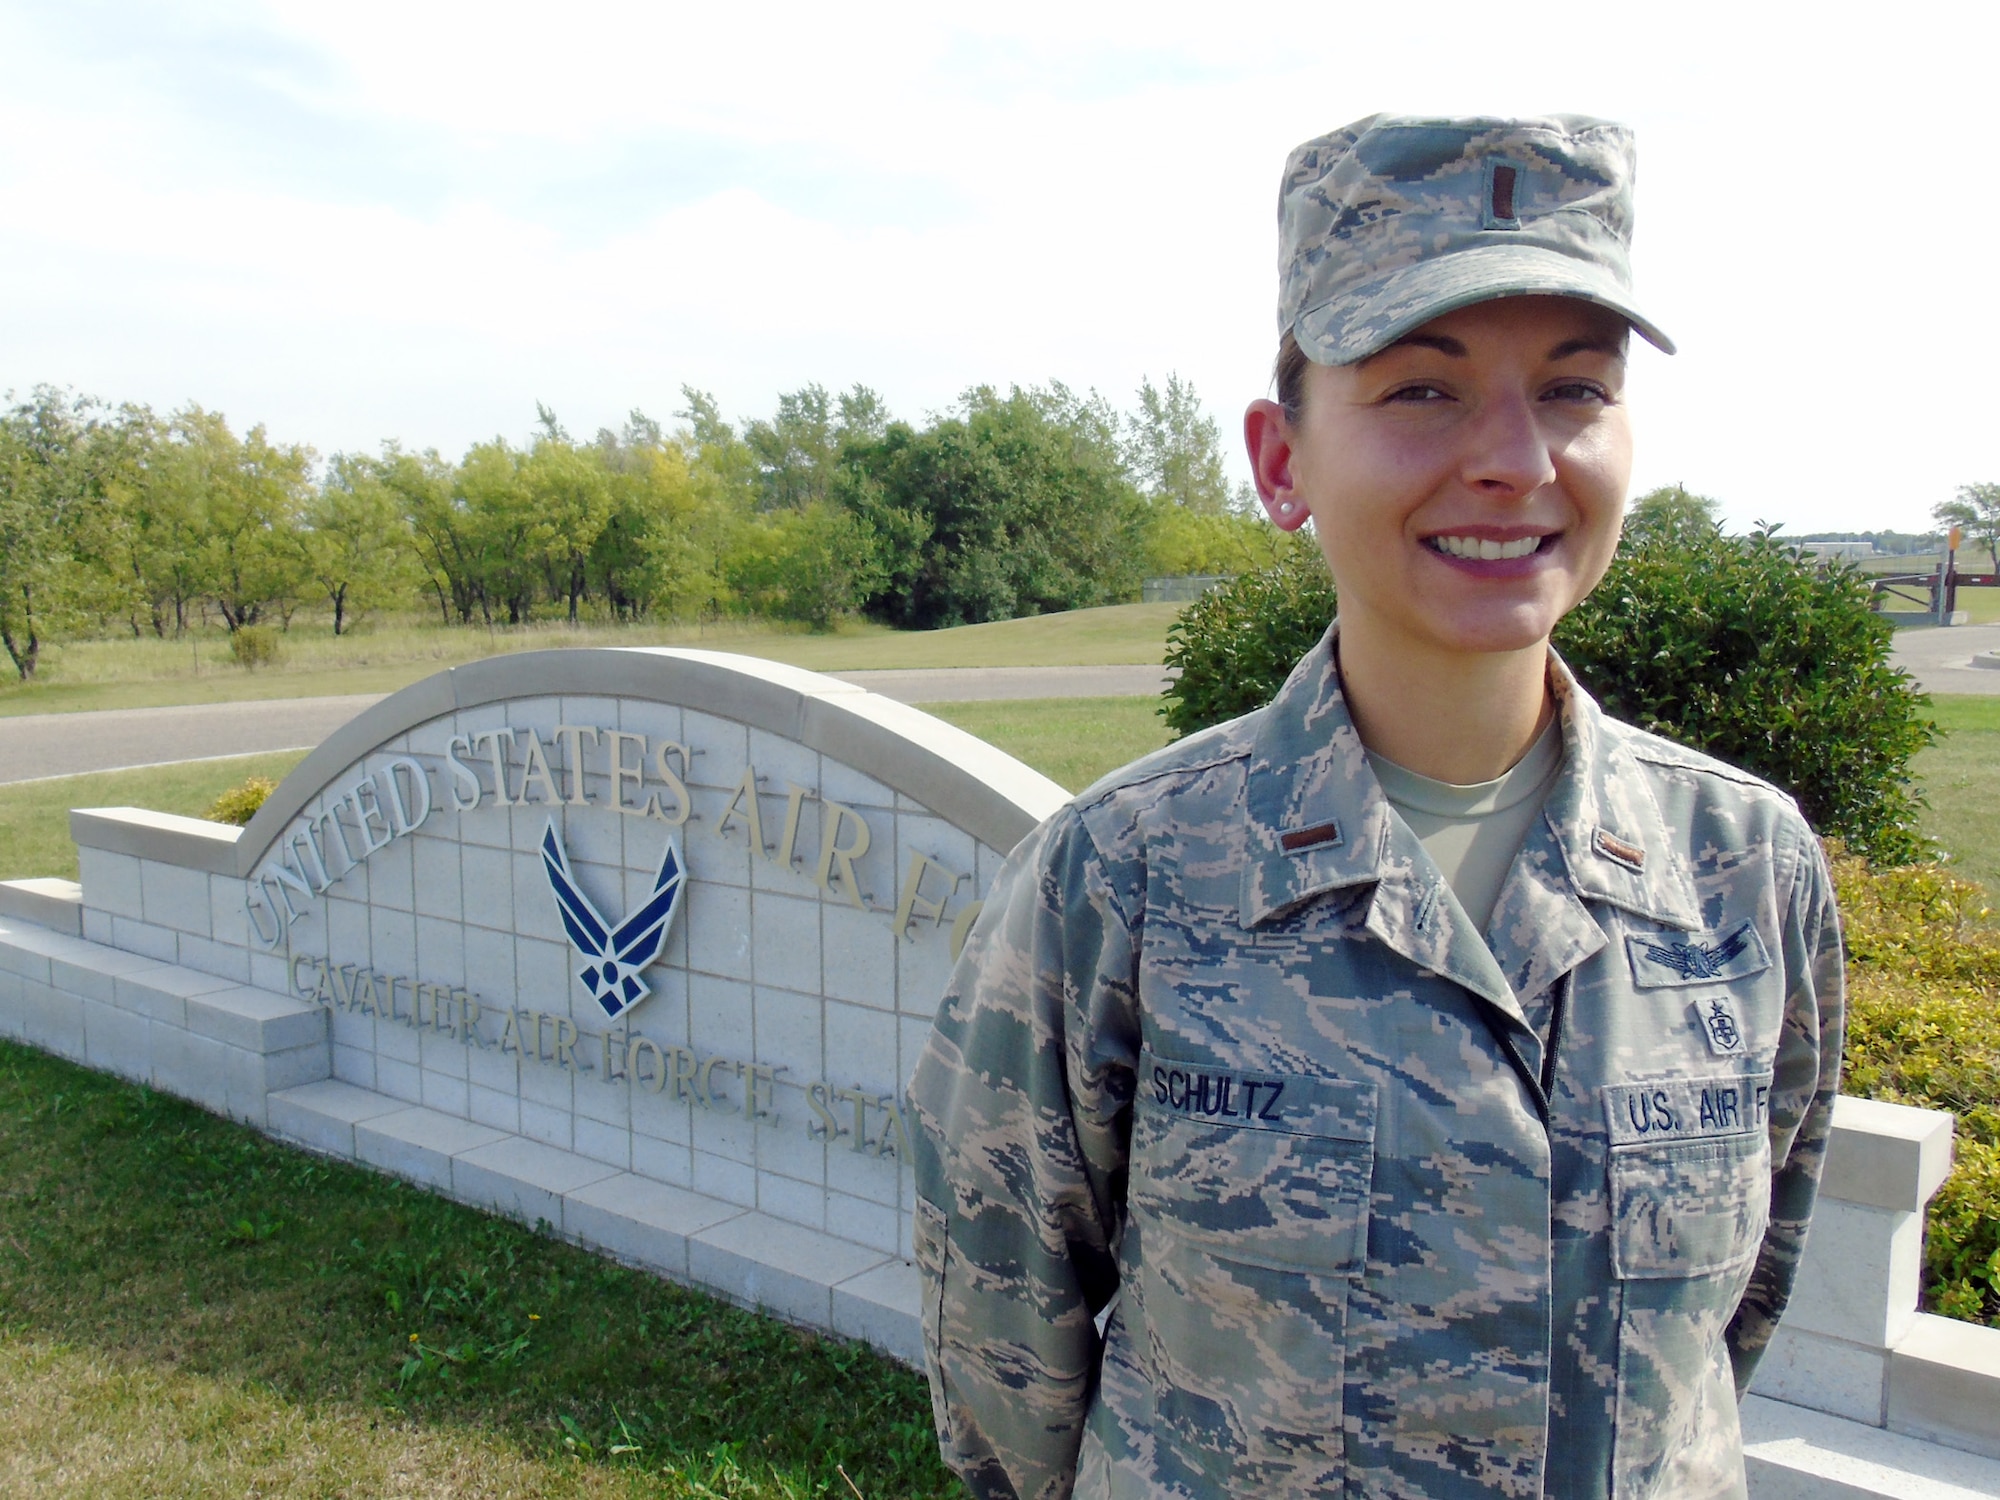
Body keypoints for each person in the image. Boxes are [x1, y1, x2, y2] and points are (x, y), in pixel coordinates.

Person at [906, 114, 1845, 1500]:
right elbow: (1004, 1351)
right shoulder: (1128, 877)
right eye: (1423, 391)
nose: (1516, 460)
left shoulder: (1740, 866)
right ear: (1283, 460)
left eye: (1577, 389)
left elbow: (1722, 1329)